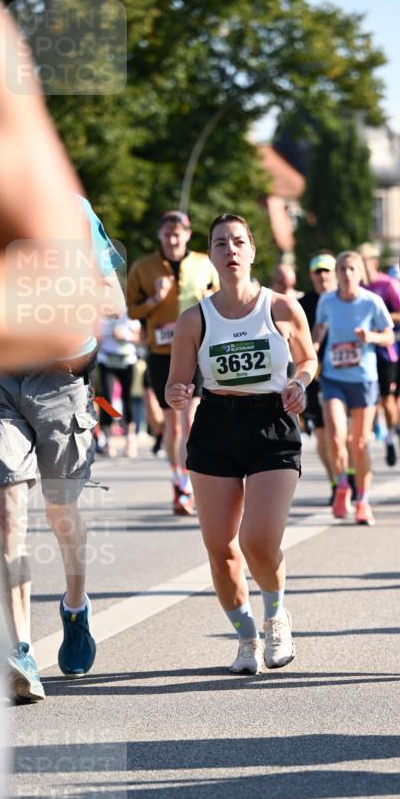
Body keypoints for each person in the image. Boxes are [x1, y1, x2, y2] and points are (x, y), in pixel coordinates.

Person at [0, 194, 125, 704]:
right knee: (7, 512)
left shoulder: (69, 208)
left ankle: (76, 607)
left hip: (60, 381)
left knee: (62, 509)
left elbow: (114, 297)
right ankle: (20, 649)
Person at [165, 214, 317, 674]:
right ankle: (247, 636)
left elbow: (308, 358)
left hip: (272, 423)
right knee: (220, 546)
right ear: (210, 255)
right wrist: (176, 395)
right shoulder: (194, 319)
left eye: (238, 242)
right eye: (219, 243)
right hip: (215, 426)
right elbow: (176, 386)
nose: (229, 250)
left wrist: (301, 382)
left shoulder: (283, 308)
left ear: (252, 251)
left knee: (258, 539)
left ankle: (276, 616)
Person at [127, 210, 219, 515]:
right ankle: (178, 481)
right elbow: (131, 311)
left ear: (189, 234)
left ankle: (189, 484)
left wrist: (211, 295)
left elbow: (223, 298)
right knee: (172, 425)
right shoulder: (143, 267)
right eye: (168, 233)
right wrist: (154, 300)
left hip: (198, 350)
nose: (173, 238)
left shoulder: (205, 264)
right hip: (161, 353)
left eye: (179, 232)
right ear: (160, 235)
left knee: (189, 420)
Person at [312, 251, 395, 526]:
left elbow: (389, 335)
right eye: (342, 269)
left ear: (360, 273)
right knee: (335, 438)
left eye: (351, 269)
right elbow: (319, 330)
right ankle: (342, 486)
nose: (346, 274)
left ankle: (362, 500)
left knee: (358, 444)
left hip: (364, 378)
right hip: (334, 377)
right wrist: (310, 353)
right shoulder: (327, 300)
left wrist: (370, 336)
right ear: (336, 274)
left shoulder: (372, 302)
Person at [359, 242, 400, 466]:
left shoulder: (387, 285)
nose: (362, 266)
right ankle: (365, 440)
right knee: (368, 399)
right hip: (362, 352)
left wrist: (380, 319)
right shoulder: (355, 287)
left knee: (387, 399)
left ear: (373, 262)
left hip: (386, 351)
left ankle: (390, 438)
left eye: (365, 261)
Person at [299, 253, 338, 493]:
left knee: (343, 435)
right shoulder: (303, 304)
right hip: (314, 374)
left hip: (346, 374)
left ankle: (349, 474)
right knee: (323, 435)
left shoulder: (345, 299)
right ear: (312, 275)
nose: (323, 276)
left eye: (327, 271)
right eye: (318, 271)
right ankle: (336, 481)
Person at [96, 311, 141, 457]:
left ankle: (130, 440)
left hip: (127, 361)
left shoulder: (130, 315)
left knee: (127, 399)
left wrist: (124, 335)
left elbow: (140, 337)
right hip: (106, 360)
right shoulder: (100, 316)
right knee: (105, 400)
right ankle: (109, 440)